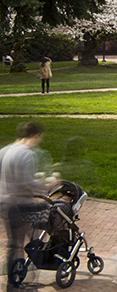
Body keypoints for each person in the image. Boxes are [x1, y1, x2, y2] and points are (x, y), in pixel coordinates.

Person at [0, 121, 46, 286]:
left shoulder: (5, 151)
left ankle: (13, 276)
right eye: (39, 137)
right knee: (37, 238)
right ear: (34, 135)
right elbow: (25, 183)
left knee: (14, 243)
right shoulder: (26, 154)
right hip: (22, 205)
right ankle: (30, 275)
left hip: (5, 203)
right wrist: (42, 183)